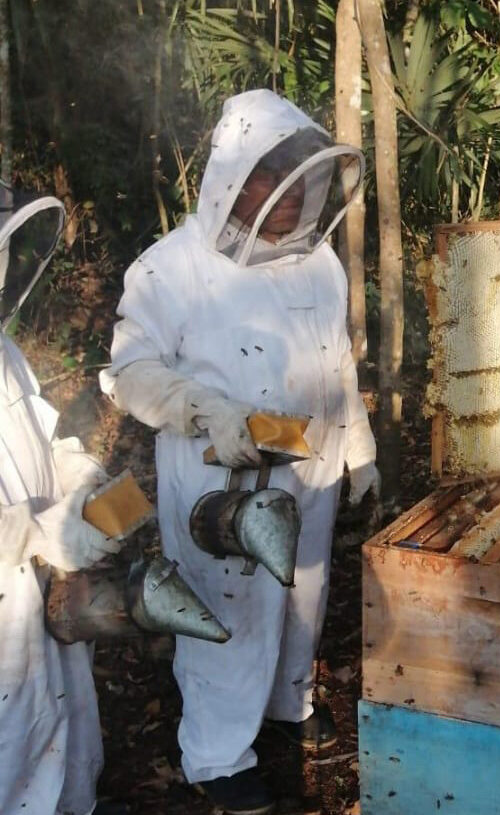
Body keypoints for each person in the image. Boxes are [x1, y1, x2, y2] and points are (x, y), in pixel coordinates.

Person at [101, 89, 379, 815]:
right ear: (230, 180)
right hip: (219, 478)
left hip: (310, 467)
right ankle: (219, 754)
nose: (286, 195)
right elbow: (131, 371)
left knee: (303, 595)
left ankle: (289, 703)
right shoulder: (171, 267)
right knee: (228, 607)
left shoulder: (319, 264)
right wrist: (204, 408)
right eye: (266, 176)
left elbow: (338, 365)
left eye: (297, 176)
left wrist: (359, 448)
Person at [0, 184, 125, 814]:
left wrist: (82, 481)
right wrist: (38, 531)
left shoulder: (6, 352)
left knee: (63, 727)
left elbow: (44, 441)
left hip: (42, 596)